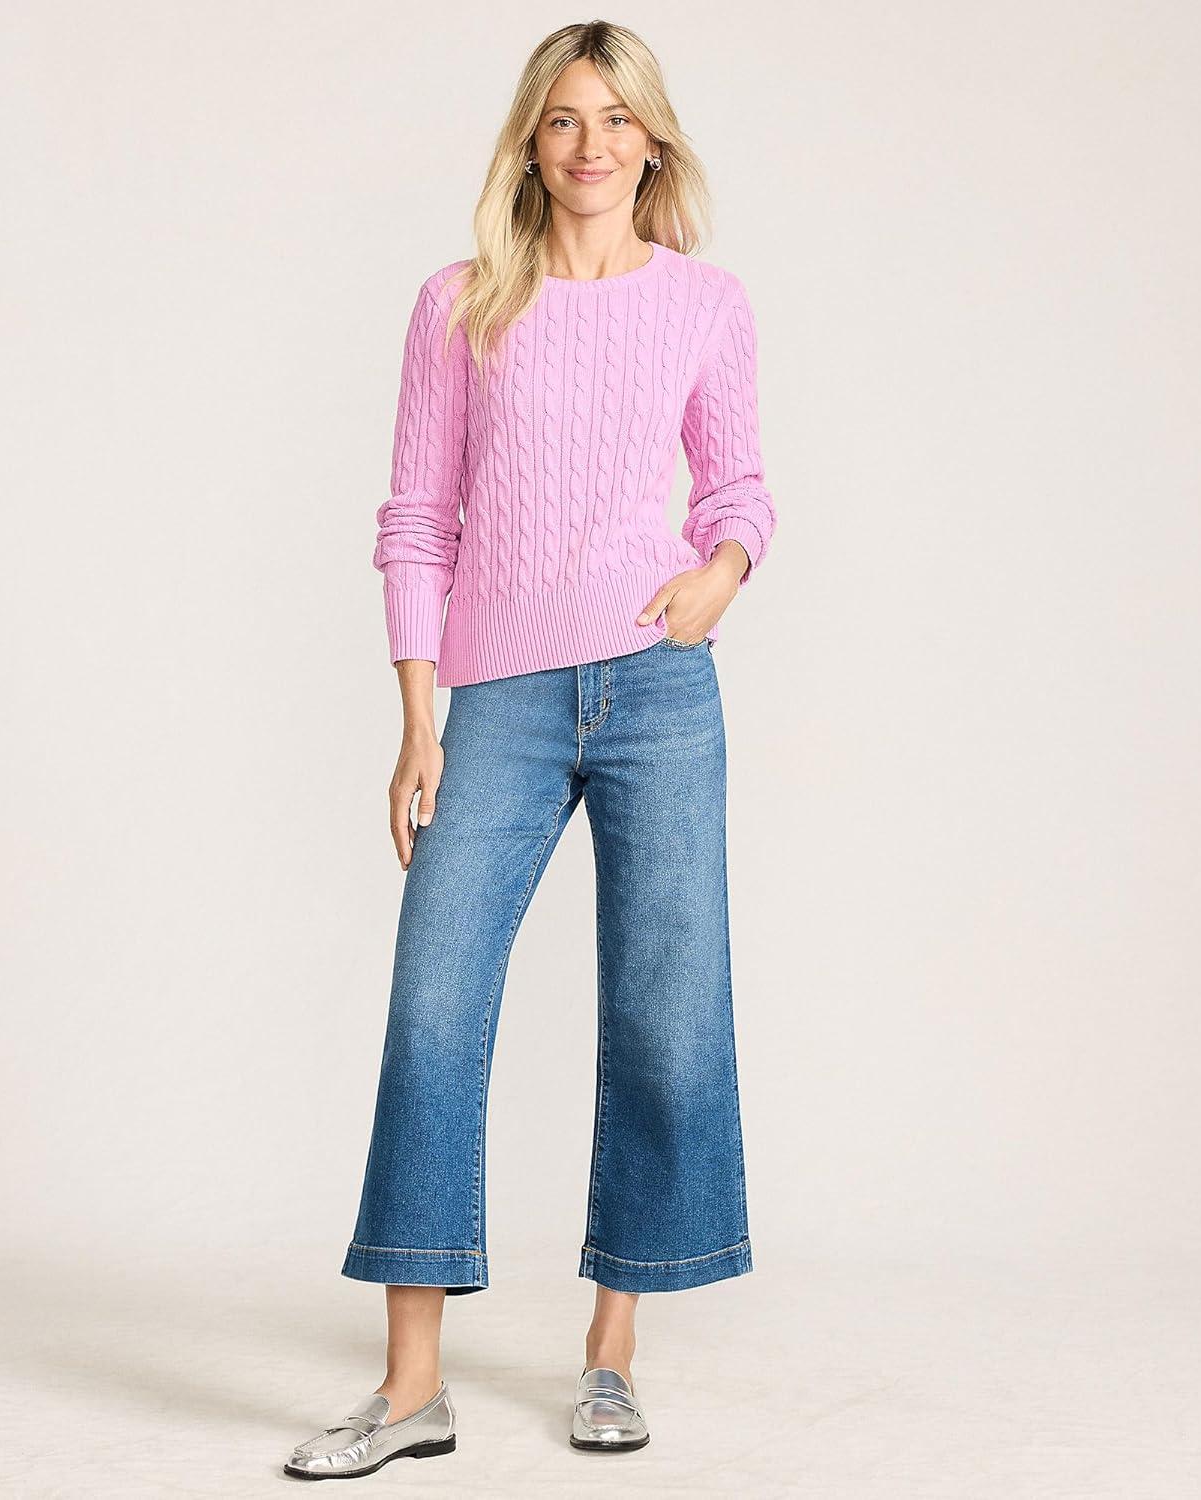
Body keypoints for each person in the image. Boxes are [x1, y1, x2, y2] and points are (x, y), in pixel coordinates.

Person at [284, 18, 777, 1482]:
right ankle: (410, 1387)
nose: (589, 144)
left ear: (653, 141)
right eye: (563, 119)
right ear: (530, 141)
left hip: (659, 690)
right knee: (436, 1005)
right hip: (495, 699)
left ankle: (612, 1352)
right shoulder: (460, 305)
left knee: (664, 1015)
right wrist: (416, 714)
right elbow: (415, 517)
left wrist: (720, 576)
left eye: (615, 119)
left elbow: (739, 488)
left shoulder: (706, 303)